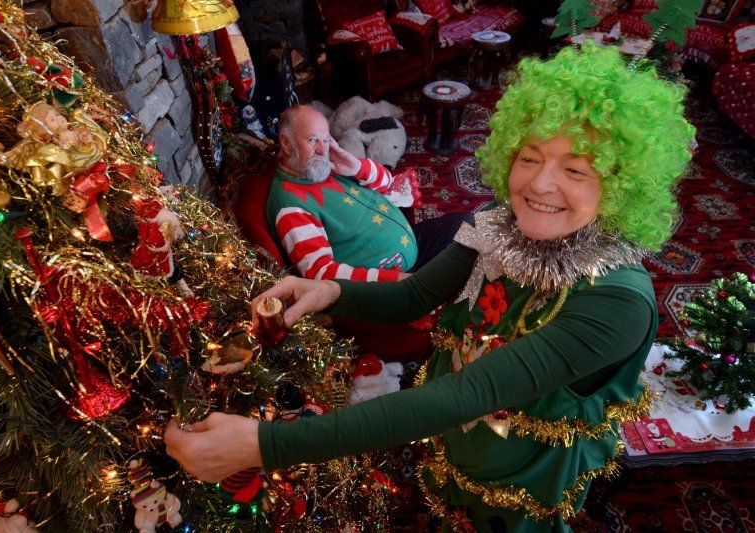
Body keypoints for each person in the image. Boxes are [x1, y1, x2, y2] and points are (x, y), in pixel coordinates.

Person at [165, 42, 695, 531]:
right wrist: (330, 291)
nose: (538, 184)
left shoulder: (617, 303)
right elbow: (416, 295)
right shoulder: (495, 221)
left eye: (576, 169)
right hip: (455, 441)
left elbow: (471, 392)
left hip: (525, 477)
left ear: (622, 182)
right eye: (529, 157)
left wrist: (268, 445)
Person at [267, 104, 467, 282]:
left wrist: (356, 167)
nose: (322, 149)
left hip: (409, 243)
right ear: (286, 143)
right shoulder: (290, 205)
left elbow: (388, 183)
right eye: (312, 140)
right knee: (466, 259)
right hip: (397, 279)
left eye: (326, 140)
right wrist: (399, 280)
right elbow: (321, 274)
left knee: (470, 225)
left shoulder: (321, 168)